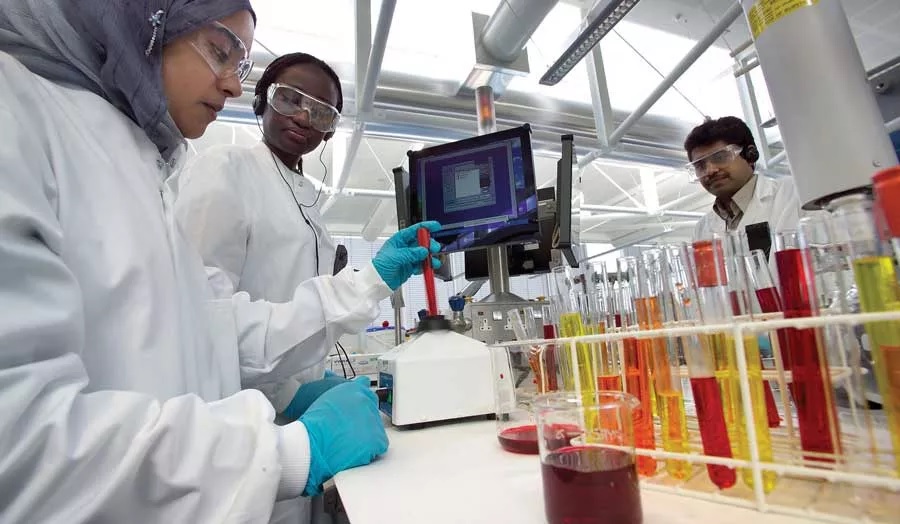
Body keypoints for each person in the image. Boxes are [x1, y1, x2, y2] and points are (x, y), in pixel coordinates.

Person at [0, 2, 440, 522]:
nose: (230, 84)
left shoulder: (144, 166)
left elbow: (218, 327)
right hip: (214, 467)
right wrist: (285, 451)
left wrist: (369, 281)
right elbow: (22, 445)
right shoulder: (22, 113)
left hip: (232, 449)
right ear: (143, 17)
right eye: (218, 50)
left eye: (241, 63)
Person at [174, 52, 356, 421]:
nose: (304, 116)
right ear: (262, 100)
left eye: (321, 112)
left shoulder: (306, 200)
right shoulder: (226, 168)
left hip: (292, 402)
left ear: (329, 130)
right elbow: (204, 317)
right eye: (290, 99)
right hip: (239, 411)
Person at [686, 116, 805, 242]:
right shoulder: (702, 230)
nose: (710, 170)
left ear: (750, 154)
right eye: (700, 165)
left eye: (720, 157)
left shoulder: (795, 194)